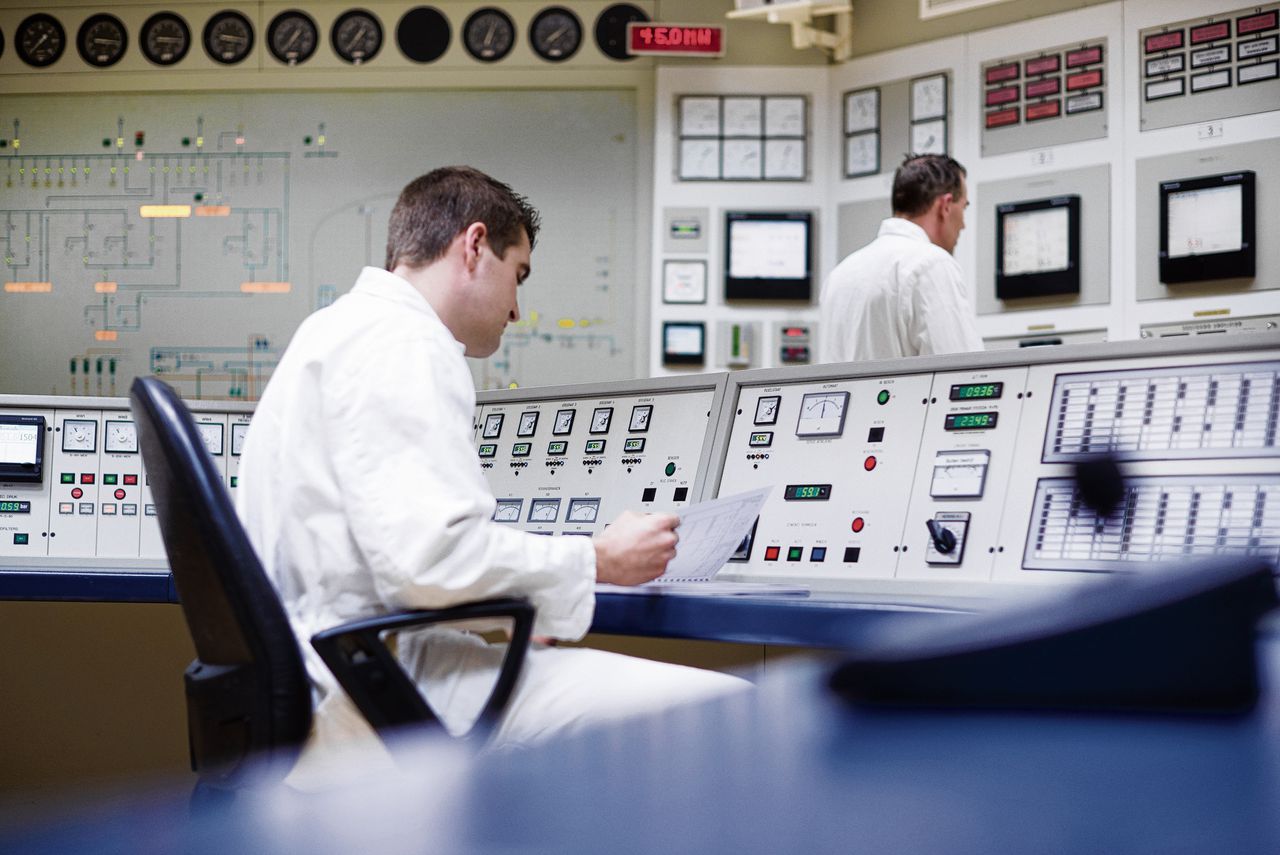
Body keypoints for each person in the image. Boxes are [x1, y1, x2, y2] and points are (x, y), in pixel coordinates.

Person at [236, 166, 749, 783]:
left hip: (344, 668)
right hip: (380, 690)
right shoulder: (406, 344)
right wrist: (599, 559)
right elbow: (429, 561)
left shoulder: (333, 330)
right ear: (474, 245)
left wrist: (508, 613)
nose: (516, 310)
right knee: (737, 711)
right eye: (519, 276)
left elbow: (382, 562)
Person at [819, 154, 984, 363]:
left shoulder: (839, 275)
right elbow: (964, 373)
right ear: (946, 206)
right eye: (964, 207)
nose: (963, 225)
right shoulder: (931, 265)